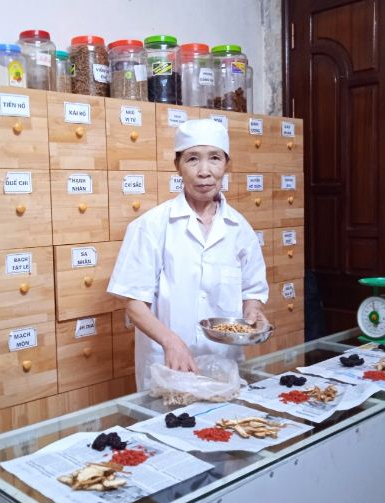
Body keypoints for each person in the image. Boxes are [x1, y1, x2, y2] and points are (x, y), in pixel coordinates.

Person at [107, 119, 269, 390]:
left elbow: (252, 289)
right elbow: (134, 303)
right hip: (167, 368)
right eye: (193, 159)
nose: (204, 172)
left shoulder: (240, 229)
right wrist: (171, 342)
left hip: (224, 365)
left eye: (215, 158)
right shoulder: (151, 226)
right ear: (177, 166)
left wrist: (253, 313)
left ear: (226, 165)